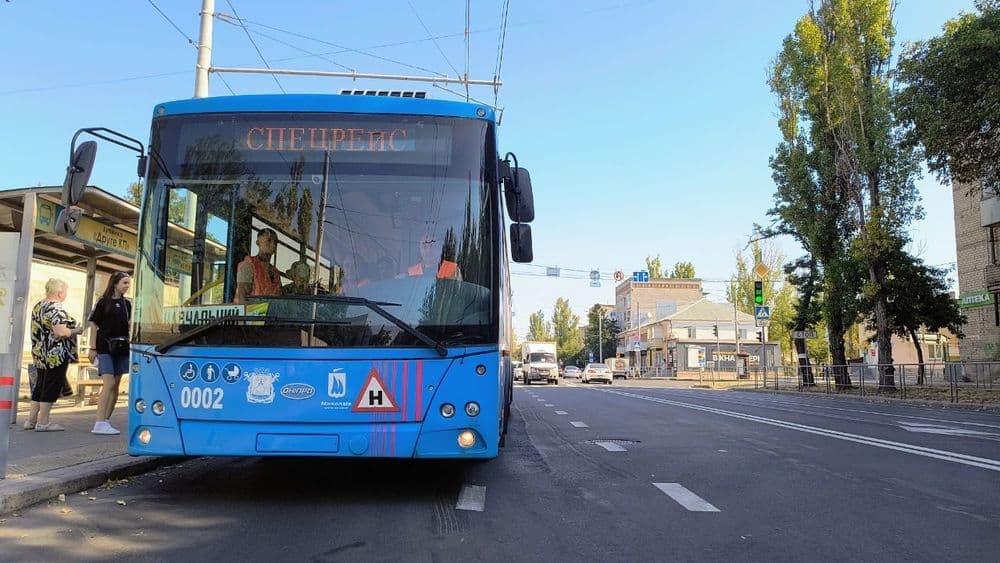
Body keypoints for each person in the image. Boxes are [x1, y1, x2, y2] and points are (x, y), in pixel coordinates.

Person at [24, 278, 86, 432]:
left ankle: (31, 421)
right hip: (55, 354)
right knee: (51, 386)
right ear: (59, 293)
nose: (65, 294)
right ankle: (43, 422)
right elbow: (61, 332)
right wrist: (76, 331)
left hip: (40, 353)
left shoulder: (39, 306)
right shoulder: (56, 308)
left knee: (40, 385)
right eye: (65, 291)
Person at [86, 272, 132, 435]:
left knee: (116, 385)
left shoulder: (127, 304)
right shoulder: (103, 302)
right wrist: (92, 347)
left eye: (128, 283)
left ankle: (106, 420)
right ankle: (99, 422)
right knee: (109, 383)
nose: (127, 286)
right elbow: (93, 324)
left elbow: (129, 325)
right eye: (125, 283)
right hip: (104, 346)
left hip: (121, 347)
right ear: (115, 284)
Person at [235, 228, 283, 303]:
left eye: (276, 242)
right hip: (253, 313)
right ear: (258, 243)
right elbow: (242, 298)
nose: (273, 245)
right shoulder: (249, 265)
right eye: (269, 240)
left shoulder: (275, 272)